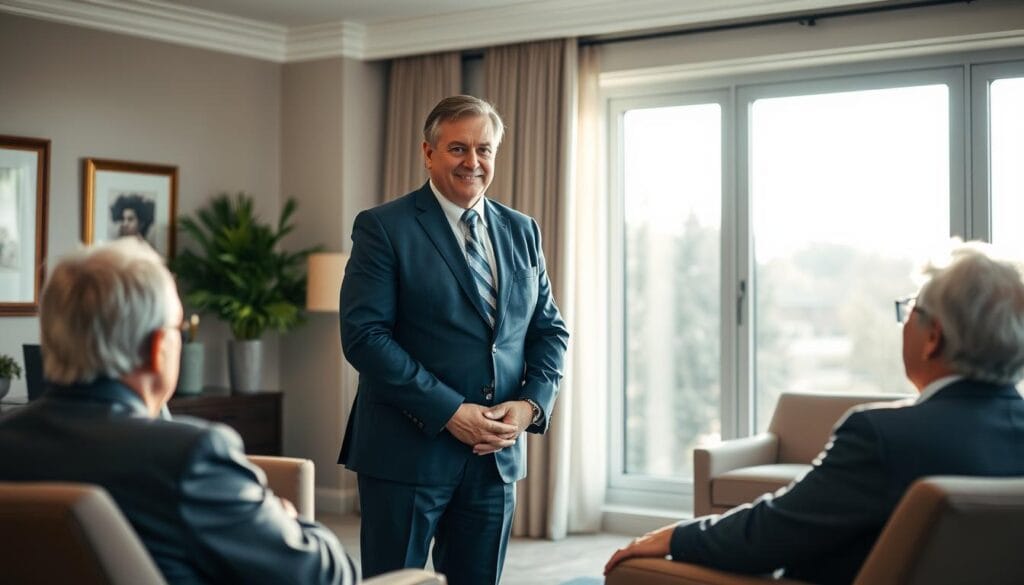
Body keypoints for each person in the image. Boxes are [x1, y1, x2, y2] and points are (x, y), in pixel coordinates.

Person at [605, 240, 1024, 585]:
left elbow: (767, 537)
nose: (903, 324)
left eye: (910, 309)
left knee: (631, 572)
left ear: (933, 337)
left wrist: (676, 537)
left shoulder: (882, 437)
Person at [0, 238, 356, 585]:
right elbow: (328, 576)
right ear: (159, 347)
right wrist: (289, 519)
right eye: (179, 329)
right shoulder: (188, 458)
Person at [339, 95, 569, 585]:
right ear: (428, 153)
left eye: (484, 149)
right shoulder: (383, 227)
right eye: (458, 148)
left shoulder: (522, 230)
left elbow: (549, 330)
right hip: (405, 453)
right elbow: (365, 337)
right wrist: (449, 411)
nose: (473, 162)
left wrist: (529, 406)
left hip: (494, 458)